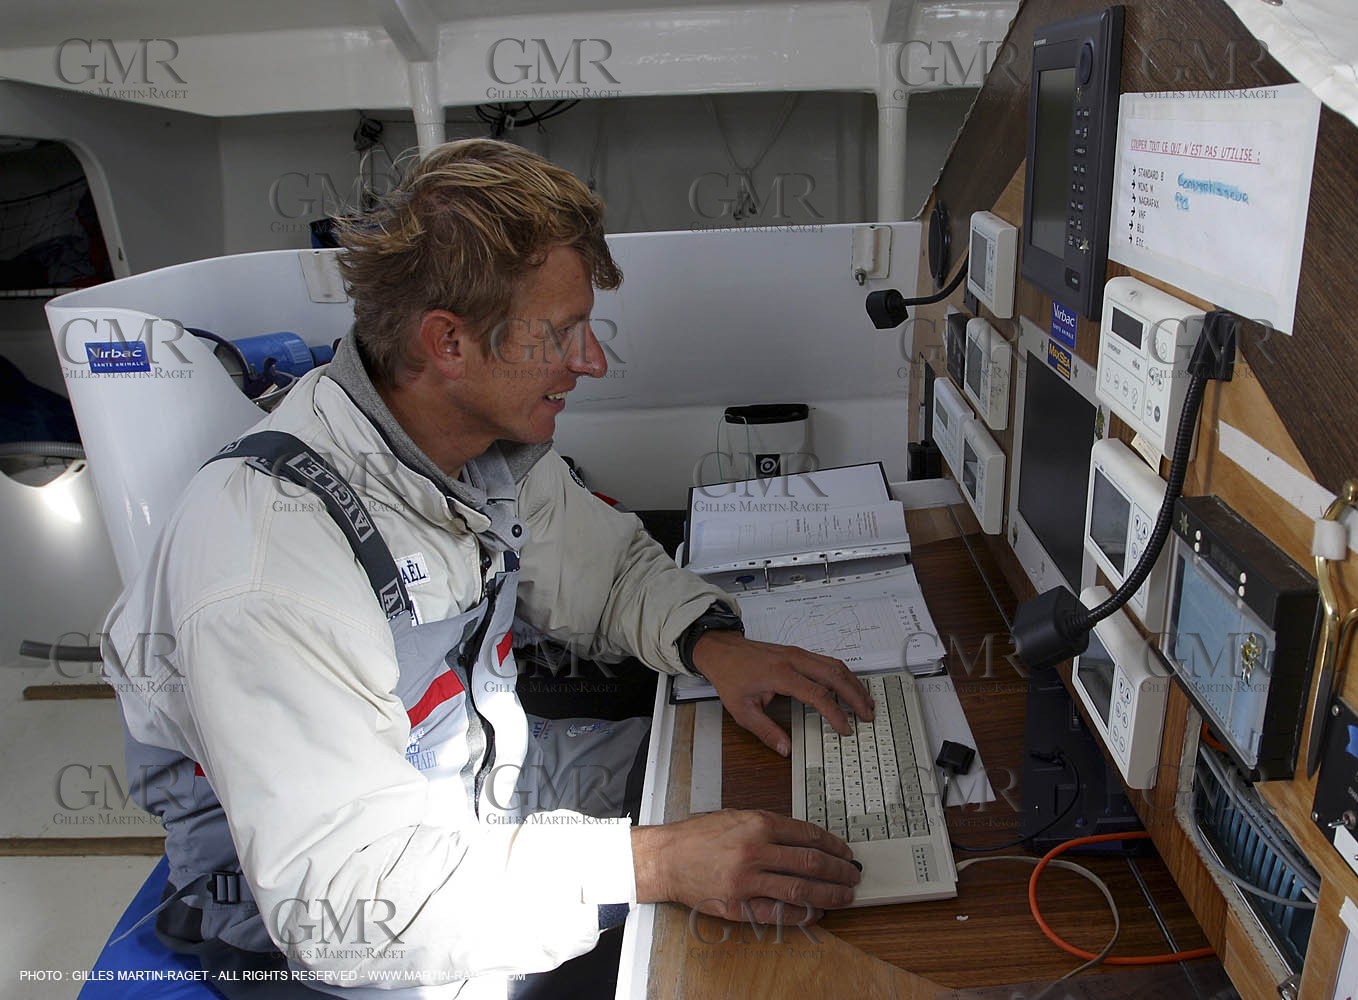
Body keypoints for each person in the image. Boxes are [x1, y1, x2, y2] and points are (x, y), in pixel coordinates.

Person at [101, 138, 876, 998]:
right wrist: (651, 862)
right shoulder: (269, 564)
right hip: (339, 930)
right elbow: (348, 907)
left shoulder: (480, 450)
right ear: (449, 343)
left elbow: (606, 571)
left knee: (735, 788)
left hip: (474, 788)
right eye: (564, 334)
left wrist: (710, 642)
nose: (593, 362)